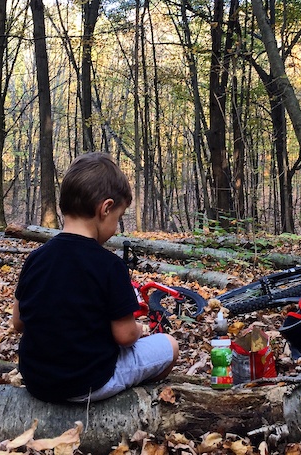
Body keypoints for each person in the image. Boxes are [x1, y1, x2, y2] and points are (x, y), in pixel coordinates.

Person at [11, 152, 179, 403]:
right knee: (170, 345)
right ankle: (130, 396)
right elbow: (124, 336)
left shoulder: (36, 259)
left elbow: (18, 323)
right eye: (118, 219)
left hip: (38, 381)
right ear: (106, 208)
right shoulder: (109, 265)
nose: (115, 227)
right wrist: (138, 329)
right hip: (90, 382)